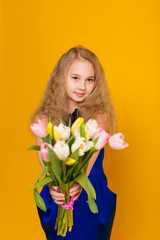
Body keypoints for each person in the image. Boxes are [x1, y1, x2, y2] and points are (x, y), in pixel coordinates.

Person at [30, 45, 117, 240]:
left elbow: (88, 162)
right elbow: (45, 163)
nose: (82, 87)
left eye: (89, 80)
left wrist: (73, 184)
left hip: (89, 195)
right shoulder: (43, 118)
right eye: (75, 78)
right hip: (57, 195)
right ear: (61, 77)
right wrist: (55, 187)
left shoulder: (99, 116)